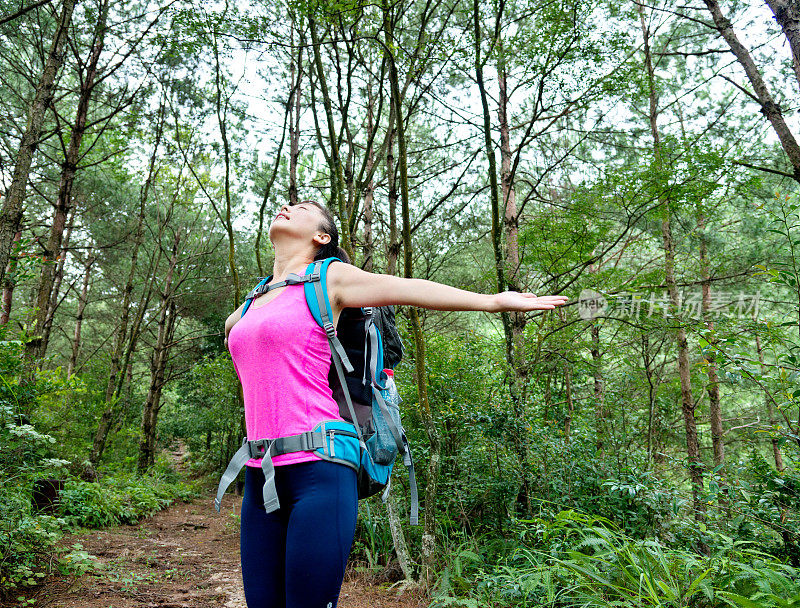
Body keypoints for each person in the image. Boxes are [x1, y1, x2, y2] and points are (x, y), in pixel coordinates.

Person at [223, 200, 568, 608]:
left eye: (300, 207)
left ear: (322, 236)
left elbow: (409, 288)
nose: (285, 206)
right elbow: (234, 331)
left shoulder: (329, 278)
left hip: (321, 466)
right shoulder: (254, 300)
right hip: (260, 473)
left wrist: (492, 301)